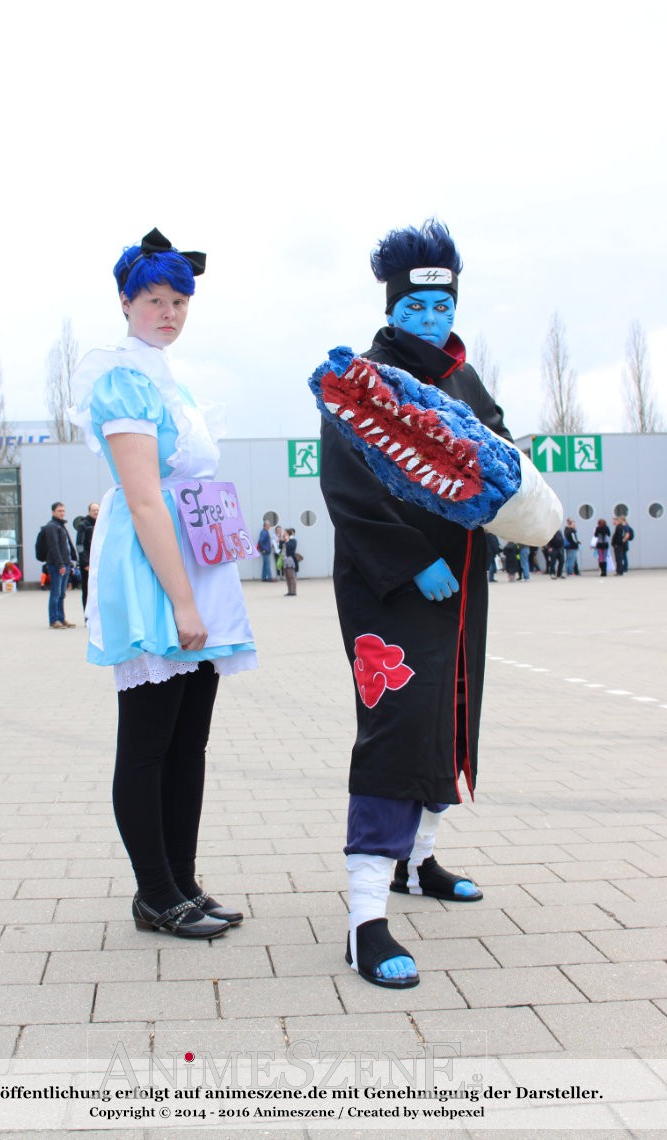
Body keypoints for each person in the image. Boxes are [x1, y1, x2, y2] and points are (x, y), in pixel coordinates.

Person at [318, 220, 509, 988]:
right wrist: (413, 558)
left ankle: (417, 862)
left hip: (462, 588)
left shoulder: (463, 376)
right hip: (393, 587)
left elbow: (500, 451)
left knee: (448, 720)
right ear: (393, 308)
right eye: (417, 309)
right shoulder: (361, 379)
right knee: (396, 729)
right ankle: (366, 917)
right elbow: (348, 489)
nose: (431, 320)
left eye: (442, 308)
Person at [68, 227, 257, 940]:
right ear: (126, 302)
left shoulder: (170, 380)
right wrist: (181, 598)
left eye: (180, 300)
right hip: (155, 568)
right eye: (155, 299)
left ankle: (182, 879)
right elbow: (145, 498)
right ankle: (154, 893)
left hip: (195, 560)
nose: (170, 311)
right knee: (148, 740)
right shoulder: (120, 379)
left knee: (188, 740)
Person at [41, 503, 78, 628]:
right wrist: (60, 564)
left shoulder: (61, 526)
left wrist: (71, 559)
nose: (62, 513)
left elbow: (67, 545)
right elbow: (54, 547)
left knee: (62, 593)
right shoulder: (51, 527)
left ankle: (61, 618)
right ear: (53, 512)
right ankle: (53, 620)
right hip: (57, 565)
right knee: (55, 593)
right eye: (59, 511)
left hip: (66, 563)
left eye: (63, 511)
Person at [75, 502, 100, 612]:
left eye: (97, 510)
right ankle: (87, 614)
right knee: (87, 589)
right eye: (93, 510)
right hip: (88, 564)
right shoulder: (83, 525)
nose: (96, 512)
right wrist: (85, 563)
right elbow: (79, 545)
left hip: (98, 562)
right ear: (89, 512)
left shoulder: (101, 523)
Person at [282, 527, 298, 596]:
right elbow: (281, 547)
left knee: (291, 576)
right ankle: (289, 591)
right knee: (287, 576)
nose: (283, 534)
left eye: (285, 533)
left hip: (290, 560)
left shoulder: (293, 540)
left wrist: (287, 541)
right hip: (284, 560)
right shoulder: (284, 540)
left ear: (288, 533)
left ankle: (293, 591)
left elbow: (292, 548)